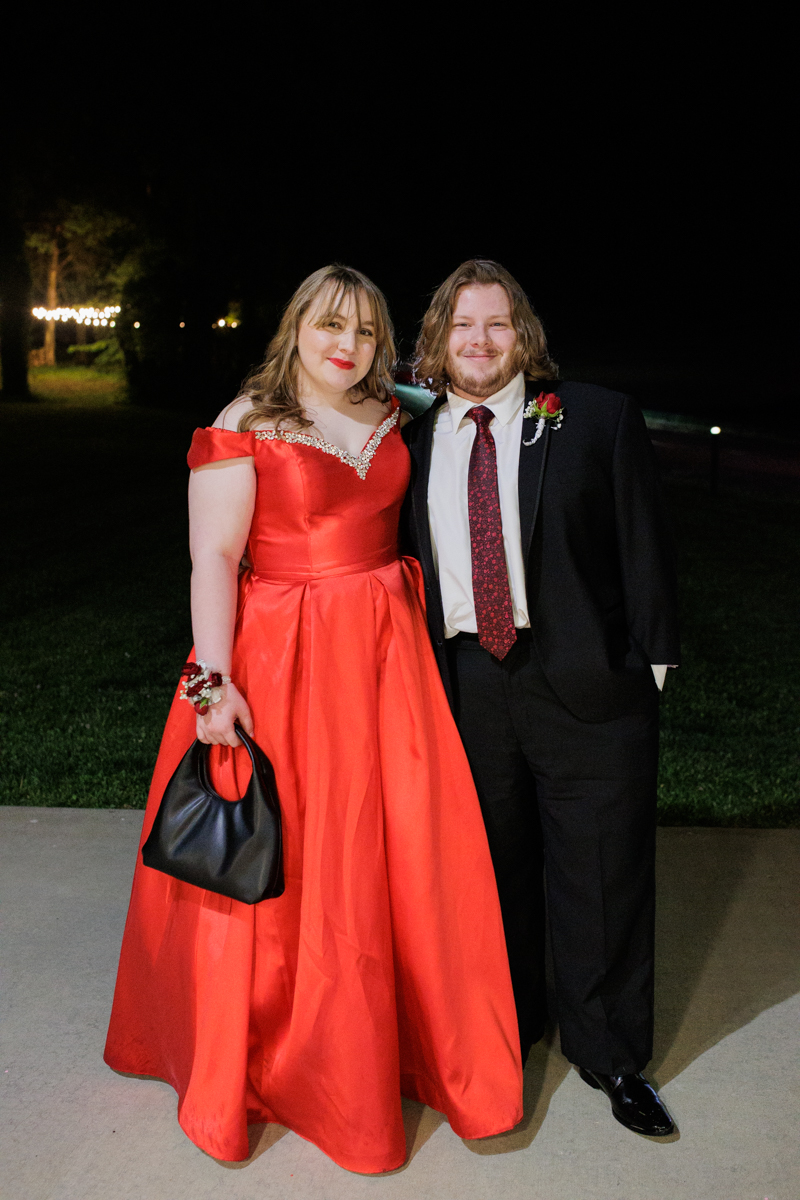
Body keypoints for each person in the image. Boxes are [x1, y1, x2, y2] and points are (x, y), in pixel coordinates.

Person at [104, 265, 523, 1173]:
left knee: (395, 851)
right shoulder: (245, 420)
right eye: (332, 325)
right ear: (296, 326)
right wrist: (212, 687)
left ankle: (402, 1046)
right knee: (293, 853)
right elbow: (213, 559)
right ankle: (280, 1062)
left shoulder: (393, 410)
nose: (349, 345)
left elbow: (462, 430)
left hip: (386, 661)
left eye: (367, 332)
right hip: (282, 661)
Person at [402, 259, 680, 1138]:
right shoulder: (408, 439)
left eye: (496, 323)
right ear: (437, 340)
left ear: (523, 335)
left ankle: (610, 1054)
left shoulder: (593, 417)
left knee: (600, 874)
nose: (479, 340)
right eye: (461, 325)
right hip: (466, 686)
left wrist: (650, 667)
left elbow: (645, 543)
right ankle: (509, 1028)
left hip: (588, 681)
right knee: (492, 874)